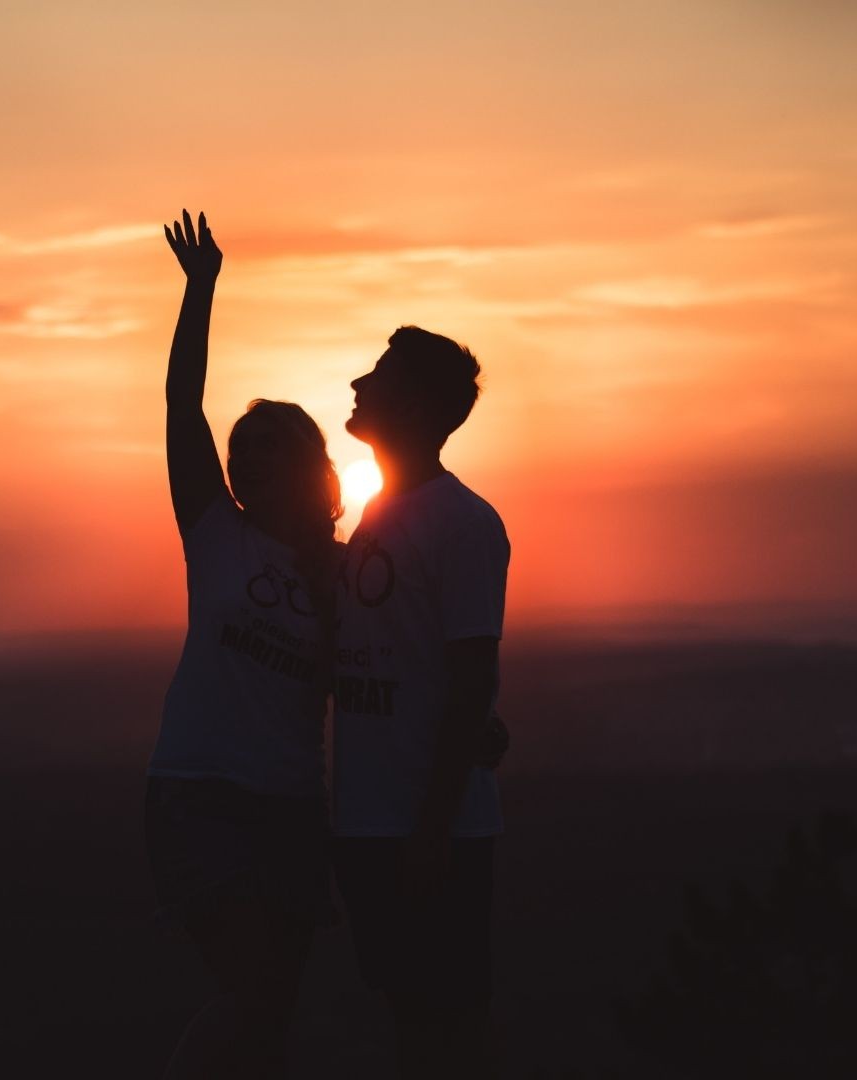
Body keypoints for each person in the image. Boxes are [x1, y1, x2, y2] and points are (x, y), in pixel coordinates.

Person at [145, 210, 345, 1079]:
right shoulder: (214, 533)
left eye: (268, 445)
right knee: (255, 994)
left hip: (293, 808)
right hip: (200, 797)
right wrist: (201, 289)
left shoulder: (349, 573)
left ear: (311, 464)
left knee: (276, 1016)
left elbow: (388, 675)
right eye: (239, 447)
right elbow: (181, 404)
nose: (245, 457)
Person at [330, 326, 510, 1078]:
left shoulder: (465, 524)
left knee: (443, 1030)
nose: (356, 385)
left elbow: (472, 680)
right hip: (370, 822)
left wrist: (431, 832)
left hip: (429, 830)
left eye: (378, 375)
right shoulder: (377, 519)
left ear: (413, 405)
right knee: (409, 1020)